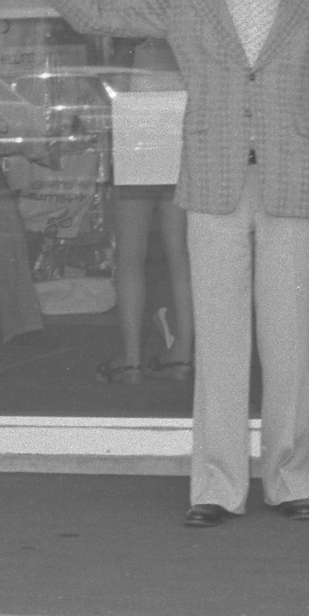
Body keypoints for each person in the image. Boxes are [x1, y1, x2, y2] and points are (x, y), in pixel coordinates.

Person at [6, 0, 309, 526]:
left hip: (291, 178)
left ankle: (290, 480)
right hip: (212, 177)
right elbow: (92, 14)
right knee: (216, 338)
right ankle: (215, 488)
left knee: (288, 338)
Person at [100, 39, 194, 387]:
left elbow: (113, 93)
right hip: (179, 150)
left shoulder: (129, 48)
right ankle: (183, 354)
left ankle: (132, 360)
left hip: (134, 148)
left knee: (129, 256)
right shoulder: (183, 39)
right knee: (181, 257)